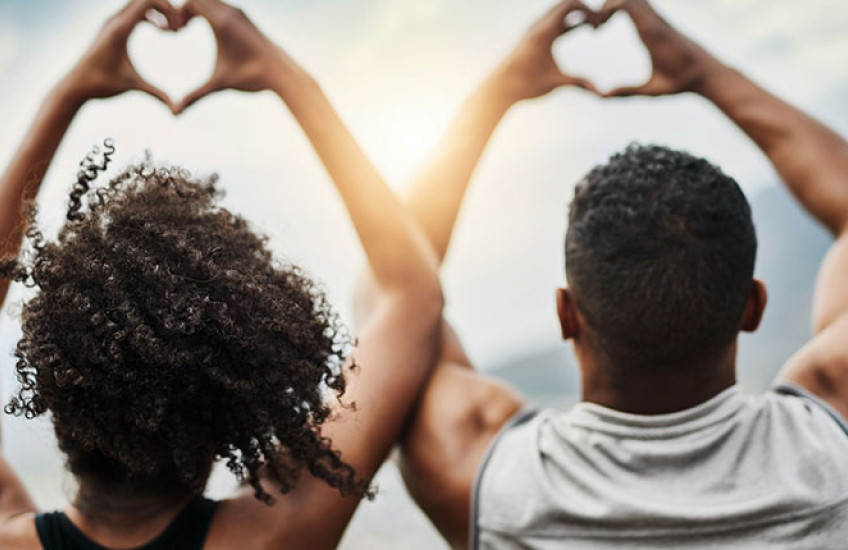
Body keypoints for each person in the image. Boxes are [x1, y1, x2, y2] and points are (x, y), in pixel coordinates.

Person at [365, 0, 848, 548]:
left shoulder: (489, 480)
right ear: (754, 307)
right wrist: (702, 73)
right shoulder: (828, 452)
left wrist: (498, 93)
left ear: (566, 314)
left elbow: (394, 297)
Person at [0, 0, 443, 549]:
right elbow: (410, 295)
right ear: (234, 405)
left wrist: (67, 93)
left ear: (50, 376)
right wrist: (283, 75)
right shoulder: (274, 535)